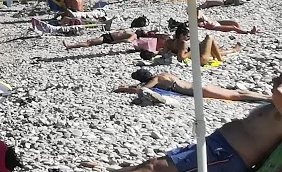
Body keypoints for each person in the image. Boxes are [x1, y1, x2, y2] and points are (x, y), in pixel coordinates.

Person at [54, 70, 282, 172]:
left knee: (156, 170)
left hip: (225, 157)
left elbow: (279, 93)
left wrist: (279, 83)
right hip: (218, 146)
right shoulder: (273, 105)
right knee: (153, 162)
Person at [113, 68, 269, 104]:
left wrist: (126, 89)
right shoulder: (164, 74)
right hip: (200, 85)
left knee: (235, 96)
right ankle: (268, 97)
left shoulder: (157, 79)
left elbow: (144, 89)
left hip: (198, 90)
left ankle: (269, 99)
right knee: (236, 92)